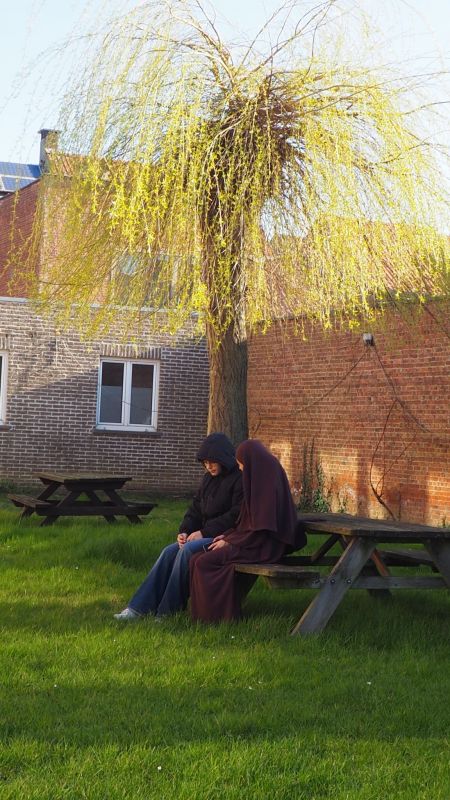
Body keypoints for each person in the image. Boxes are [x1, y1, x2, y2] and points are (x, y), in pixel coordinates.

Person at [114, 432, 243, 621]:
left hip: (222, 538)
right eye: (205, 462)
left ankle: (167, 611)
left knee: (187, 551)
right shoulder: (208, 479)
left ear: (224, 458)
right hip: (201, 535)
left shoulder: (239, 480)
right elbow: (195, 509)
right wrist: (184, 531)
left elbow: (235, 515)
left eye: (213, 462)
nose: (209, 466)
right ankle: (137, 608)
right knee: (169, 552)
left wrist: (204, 532)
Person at [189, 439, 306, 623]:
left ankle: (217, 618)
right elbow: (247, 522)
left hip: (263, 546)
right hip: (252, 542)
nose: (241, 469)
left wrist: (230, 542)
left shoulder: (266, 482)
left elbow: (262, 528)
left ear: (252, 461)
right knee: (196, 558)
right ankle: (206, 615)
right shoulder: (260, 477)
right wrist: (228, 536)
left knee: (205, 562)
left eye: (242, 464)